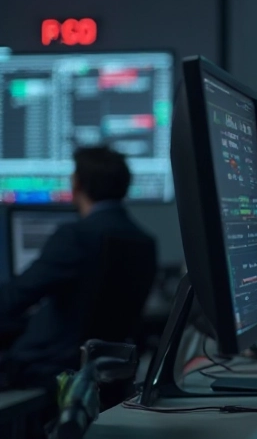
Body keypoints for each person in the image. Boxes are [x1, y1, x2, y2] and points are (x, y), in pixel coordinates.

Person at [0, 146, 157, 390]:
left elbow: (14, 298)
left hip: (49, 369)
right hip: (103, 371)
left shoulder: (77, 236)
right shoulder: (144, 241)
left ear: (77, 185)